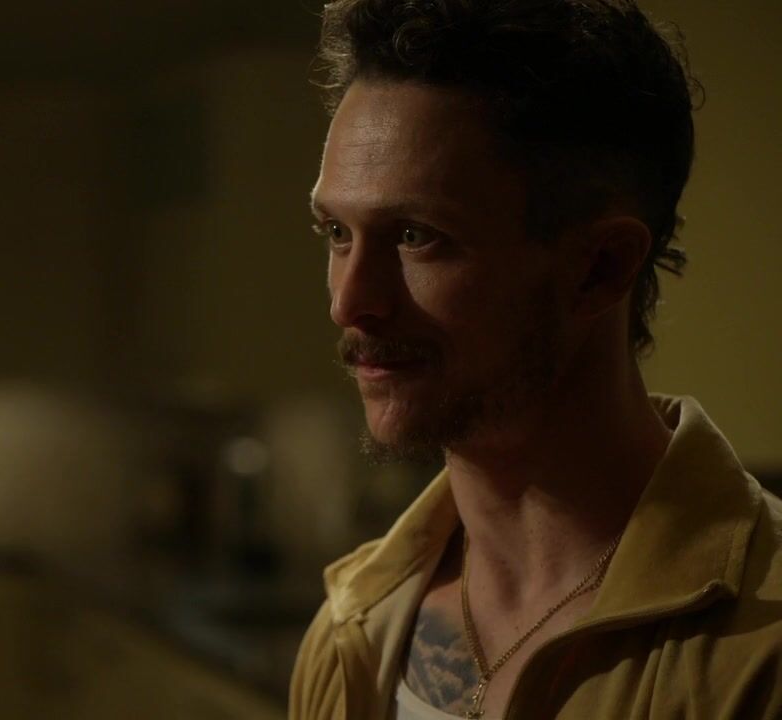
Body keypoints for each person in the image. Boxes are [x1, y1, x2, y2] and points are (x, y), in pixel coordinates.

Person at [289, 1, 782, 718]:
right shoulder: (350, 629)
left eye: (417, 236)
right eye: (337, 231)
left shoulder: (761, 650)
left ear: (599, 269)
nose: (349, 301)